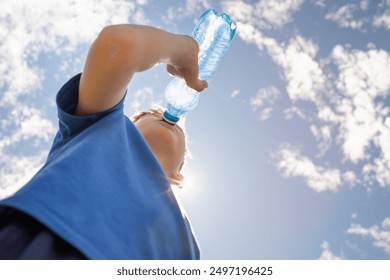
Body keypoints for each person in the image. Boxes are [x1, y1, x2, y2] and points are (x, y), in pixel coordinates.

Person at [0, 24, 208, 260]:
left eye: (180, 132)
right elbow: (118, 44)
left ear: (179, 176)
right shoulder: (100, 124)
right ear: (129, 123)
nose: (163, 117)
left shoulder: (189, 248)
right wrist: (183, 50)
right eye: (149, 114)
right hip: (38, 239)